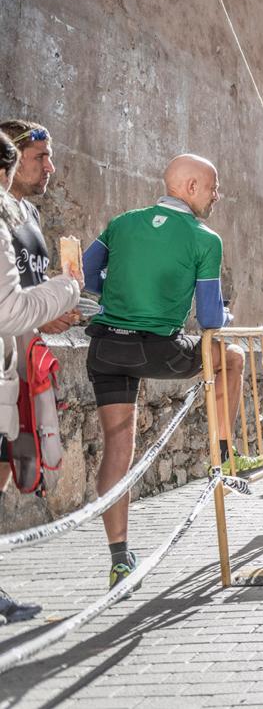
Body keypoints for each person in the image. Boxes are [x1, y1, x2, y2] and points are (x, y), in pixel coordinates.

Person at [82, 154, 263, 590]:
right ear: (190, 187)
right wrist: (224, 315)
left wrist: (117, 294)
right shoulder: (205, 238)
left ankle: (120, 557)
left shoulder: (122, 222)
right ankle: (225, 451)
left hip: (107, 344)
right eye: (213, 186)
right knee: (232, 356)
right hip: (158, 348)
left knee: (116, 448)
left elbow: (88, 271)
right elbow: (208, 319)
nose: (218, 195)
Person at [0, 132, 82, 624]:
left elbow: (24, 292)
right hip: (9, 348)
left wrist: (52, 304)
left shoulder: (26, 216)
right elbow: (9, 306)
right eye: (38, 157)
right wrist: (65, 291)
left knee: (10, 467)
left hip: (20, 363)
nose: (49, 167)